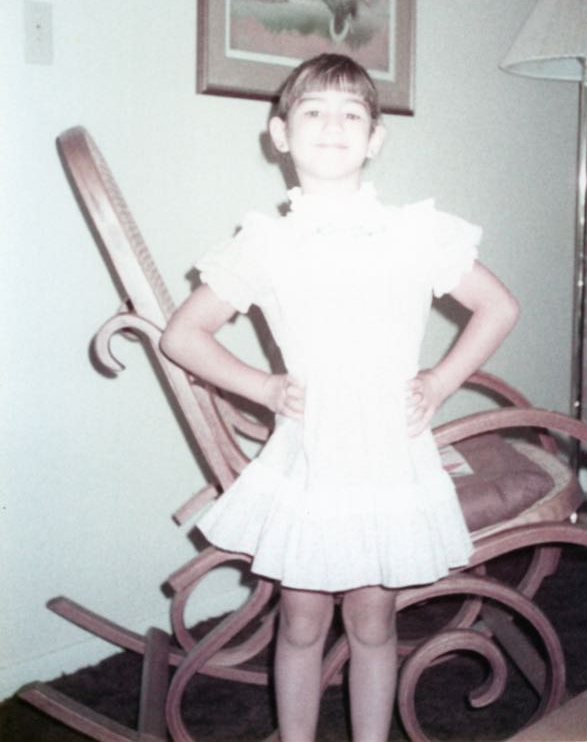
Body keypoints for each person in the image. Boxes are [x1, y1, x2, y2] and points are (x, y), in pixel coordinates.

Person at [160, 53, 519, 742]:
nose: (333, 125)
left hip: (388, 455)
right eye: (314, 111)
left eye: (351, 113)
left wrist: (440, 381)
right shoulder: (266, 242)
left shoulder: (416, 232)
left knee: (373, 619)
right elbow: (184, 335)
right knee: (300, 620)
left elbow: (498, 307)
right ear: (280, 134)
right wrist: (264, 386)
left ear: (374, 138)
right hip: (313, 456)